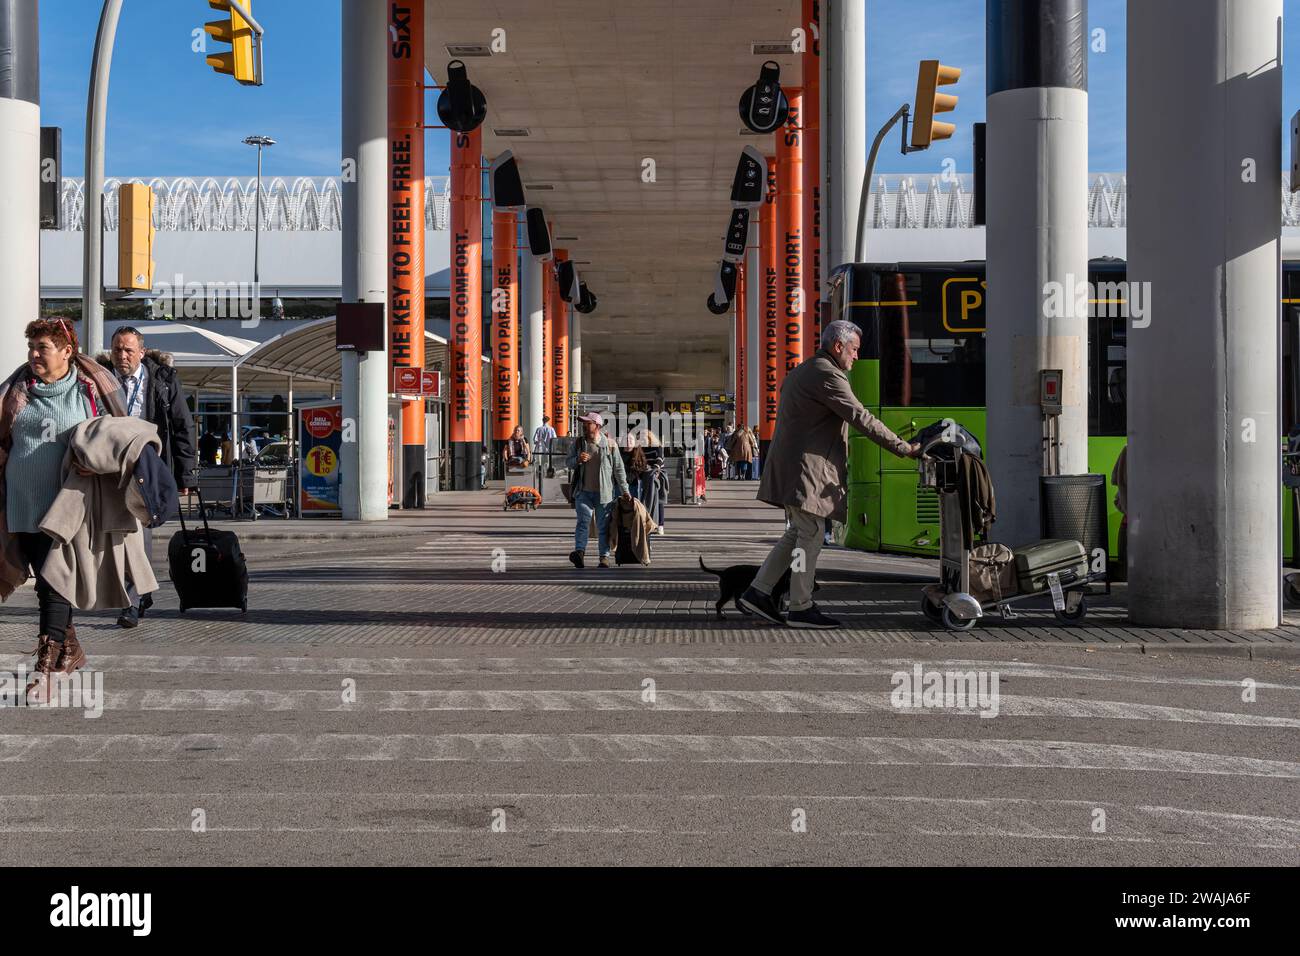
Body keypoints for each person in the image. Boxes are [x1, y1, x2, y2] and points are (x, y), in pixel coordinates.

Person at [741, 320, 921, 629]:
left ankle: (758, 591)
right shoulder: (827, 375)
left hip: (794, 467)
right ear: (838, 346)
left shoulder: (806, 369)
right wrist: (902, 447)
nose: (856, 357)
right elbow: (860, 417)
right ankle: (800, 605)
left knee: (797, 534)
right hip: (805, 470)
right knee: (809, 535)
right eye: (854, 350)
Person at [0, 319, 129, 702]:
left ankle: (47, 669)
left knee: (53, 584)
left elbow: (120, 437)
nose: (34, 355)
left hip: (68, 509)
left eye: (43, 347)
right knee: (46, 582)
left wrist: (101, 461)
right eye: (32, 347)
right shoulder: (15, 390)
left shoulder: (89, 390)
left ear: (66, 351)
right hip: (21, 506)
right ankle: (70, 649)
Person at [101, 326, 197, 629]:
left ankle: (132, 600)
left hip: (147, 465)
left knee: (139, 530)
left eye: (129, 350)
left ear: (142, 352)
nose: (122, 356)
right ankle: (141, 592)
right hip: (109, 465)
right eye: (117, 349)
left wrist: (187, 475)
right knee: (115, 534)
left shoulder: (163, 381)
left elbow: (183, 427)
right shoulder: (101, 378)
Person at [566, 411, 630, 569]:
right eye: (584, 423)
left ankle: (604, 557)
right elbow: (568, 462)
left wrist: (625, 491)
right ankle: (579, 553)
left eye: (588, 423)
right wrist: (577, 460)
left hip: (604, 493)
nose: (585, 426)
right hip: (583, 492)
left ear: (597, 426)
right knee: (583, 522)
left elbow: (619, 470)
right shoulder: (579, 443)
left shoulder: (610, 444)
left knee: (603, 526)